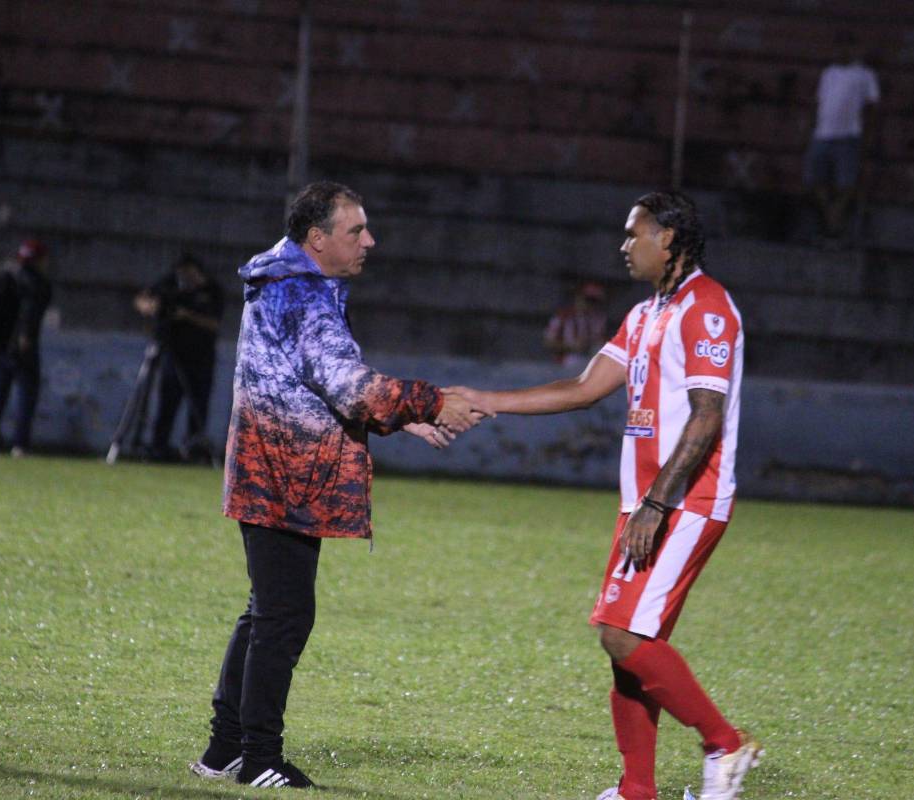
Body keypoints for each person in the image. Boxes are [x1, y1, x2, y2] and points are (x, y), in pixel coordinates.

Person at [450, 192, 760, 800]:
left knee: (622, 635)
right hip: (646, 501)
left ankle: (726, 744)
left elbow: (706, 419)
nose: (623, 246)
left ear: (667, 238)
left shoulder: (708, 308)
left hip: (685, 503)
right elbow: (584, 387)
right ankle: (636, 790)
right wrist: (488, 400)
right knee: (628, 645)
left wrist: (657, 504)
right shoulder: (646, 314)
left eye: (633, 234)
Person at [191, 181, 486, 788]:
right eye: (357, 231)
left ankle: (224, 752)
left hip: (271, 467)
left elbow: (314, 385)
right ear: (317, 239)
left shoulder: (285, 282)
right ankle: (259, 757)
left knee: (267, 611)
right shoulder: (302, 294)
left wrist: (403, 421)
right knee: (284, 616)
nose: (369, 240)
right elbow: (350, 387)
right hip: (286, 473)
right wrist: (432, 402)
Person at [133, 254, 225, 462]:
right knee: (167, 404)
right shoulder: (171, 284)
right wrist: (150, 307)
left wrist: (187, 315)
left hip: (201, 358)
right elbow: (143, 299)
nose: (184, 280)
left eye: (188, 274)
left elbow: (214, 324)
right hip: (172, 354)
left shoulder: (211, 291)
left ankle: (194, 449)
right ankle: (159, 447)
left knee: (198, 407)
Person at [804, 30, 879, 244]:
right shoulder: (828, 73)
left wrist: (868, 137)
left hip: (848, 136)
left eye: (847, 46)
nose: (842, 51)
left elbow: (872, 107)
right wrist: (811, 130)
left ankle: (834, 224)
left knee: (846, 185)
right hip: (822, 135)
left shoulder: (865, 75)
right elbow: (819, 103)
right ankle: (832, 219)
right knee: (814, 182)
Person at [0, 239, 52, 458]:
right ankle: (20, 444)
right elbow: (30, 313)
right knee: (26, 395)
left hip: (0, 343)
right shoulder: (37, 283)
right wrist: (25, 336)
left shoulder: (6, 277)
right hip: (22, 346)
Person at [544, 281, 608, 367]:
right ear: (579, 298)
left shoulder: (598, 319)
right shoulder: (563, 317)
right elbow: (549, 342)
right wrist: (571, 347)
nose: (591, 305)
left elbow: (601, 340)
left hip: (590, 359)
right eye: (588, 300)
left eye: (595, 302)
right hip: (566, 361)